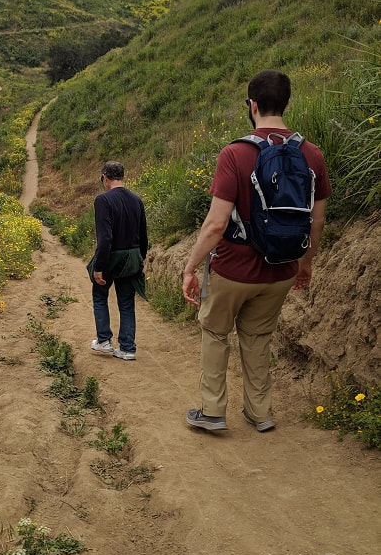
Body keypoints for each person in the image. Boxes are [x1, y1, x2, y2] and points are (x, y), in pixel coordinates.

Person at [182, 70, 331, 432]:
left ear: (251, 106)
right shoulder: (312, 154)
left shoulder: (235, 153)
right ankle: (260, 412)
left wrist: (190, 266)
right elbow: (317, 223)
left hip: (234, 269)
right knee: (258, 337)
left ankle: (214, 412)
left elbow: (216, 225)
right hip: (281, 270)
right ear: (288, 103)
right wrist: (305, 265)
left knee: (216, 333)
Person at [89, 160, 149, 361]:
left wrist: (99, 267)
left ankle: (104, 340)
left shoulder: (103, 200)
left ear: (104, 178)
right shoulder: (136, 199)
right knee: (126, 302)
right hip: (132, 257)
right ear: (122, 176)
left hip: (112, 257)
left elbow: (105, 239)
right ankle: (127, 348)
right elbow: (144, 236)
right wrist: (140, 260)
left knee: (99, 295)